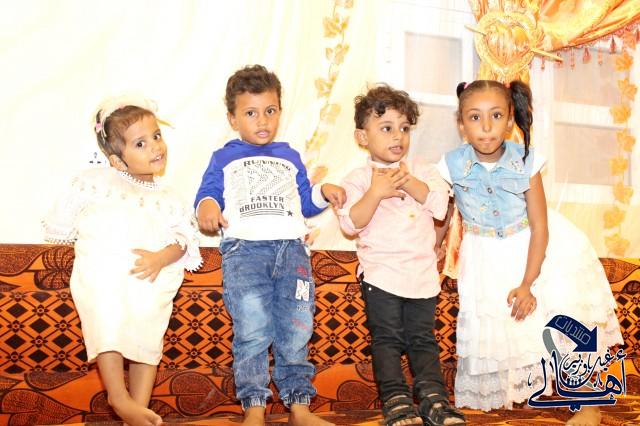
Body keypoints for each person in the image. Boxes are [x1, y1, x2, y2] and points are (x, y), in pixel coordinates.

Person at [437, 80, 623, 426]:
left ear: (510, 120)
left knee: (557, 319)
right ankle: (527, 391)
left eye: (496, 116)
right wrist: (432, 251)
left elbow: (540, 225)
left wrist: (528, 283)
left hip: (535, 250)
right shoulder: (450, 164)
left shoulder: (525, 160)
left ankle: (588, 402)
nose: (486, 126)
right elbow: (442, 213)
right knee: (507, 326)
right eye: (475, 117)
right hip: (484, 257)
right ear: (461, 124)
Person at [194, 64, 345, 426]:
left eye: (270, 110)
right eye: (250, 113)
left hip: (292, 253)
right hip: (245, 253)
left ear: (279, 111)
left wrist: (323, 192)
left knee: (298, 327)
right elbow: (207, 194)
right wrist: (208, 207)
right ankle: (254, 407)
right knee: (252, 330)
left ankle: (299, 407)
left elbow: (305, 203)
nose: (262, 121)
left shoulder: (289, 156)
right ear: (233, 119)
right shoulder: (224, 157)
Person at [43, 96, 202, 426]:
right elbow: (65, 223)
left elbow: (185, 240)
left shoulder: (170, 197)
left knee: (149, 324)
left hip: (148, 278)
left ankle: (137, 410)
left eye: (156, 136)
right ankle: (118, 397)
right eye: (140, 143)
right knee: (108, 316)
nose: (155, 146)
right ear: (117, 160)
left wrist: (161, 257)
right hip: (108, 275)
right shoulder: (98, 183)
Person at [337, 84, 466, 426]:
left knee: (424, 340)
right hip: (381, 276)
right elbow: (350, 223)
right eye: (386, 128)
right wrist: (376, 192)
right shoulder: (358, 179)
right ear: (362, 137)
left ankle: (434, 400)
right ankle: (396, 401)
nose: (398, 136)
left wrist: (407, 182)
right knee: (387, 340)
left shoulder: (422, 170)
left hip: (422, 276)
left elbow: (441, 206)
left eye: (404, 128)